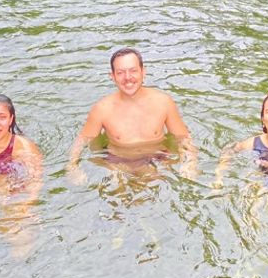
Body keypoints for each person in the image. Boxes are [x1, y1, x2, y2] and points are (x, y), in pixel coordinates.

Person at [68, 48, 198, 182]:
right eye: (120, 72)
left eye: (133, 70)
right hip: (117, 163)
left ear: (143, 72)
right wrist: (73, 167)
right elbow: (83, 140)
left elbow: (183, 137)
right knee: (117, 195)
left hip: (156, 160)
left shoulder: (163, 102)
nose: (128, 77)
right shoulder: (101, 109)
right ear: (112, 76)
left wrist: (190, 163)